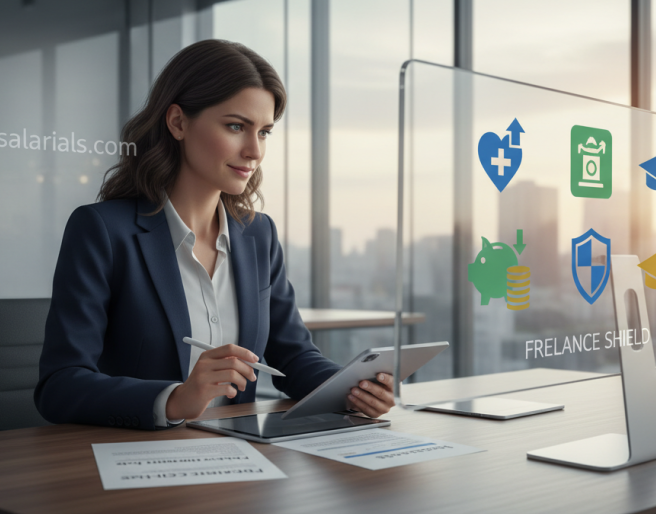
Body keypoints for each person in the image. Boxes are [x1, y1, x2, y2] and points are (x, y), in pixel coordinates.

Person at [34, 39, 395, 429]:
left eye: (265, 132)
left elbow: (293, 357)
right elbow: (59, 386)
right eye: (236, 126)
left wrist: (349, 389)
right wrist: (174, 399)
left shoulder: (259, 234)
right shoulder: (103, 231)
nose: (254, 151)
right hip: (138, 459)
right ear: (177, 122)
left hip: (240, 458)